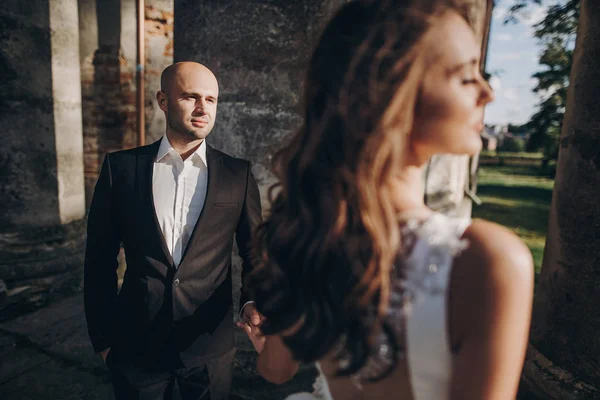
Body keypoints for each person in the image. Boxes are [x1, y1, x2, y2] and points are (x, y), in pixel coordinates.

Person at [238, 0, 535, 399]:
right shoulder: (485, 259)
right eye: (466, 77)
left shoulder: (304, 236)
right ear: (391, 89)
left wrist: (265, 338)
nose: (488, 92)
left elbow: (274, 369)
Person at [84, 62, 263, 400]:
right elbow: (98, 258)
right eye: (191, 97)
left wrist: (252, 300)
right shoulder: (121, 169)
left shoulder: (238, 174)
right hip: (135, 347)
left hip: (209, 350)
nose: (202, 109)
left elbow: (254, 250)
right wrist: (104, 339)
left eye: (211, 100)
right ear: (163, 101)